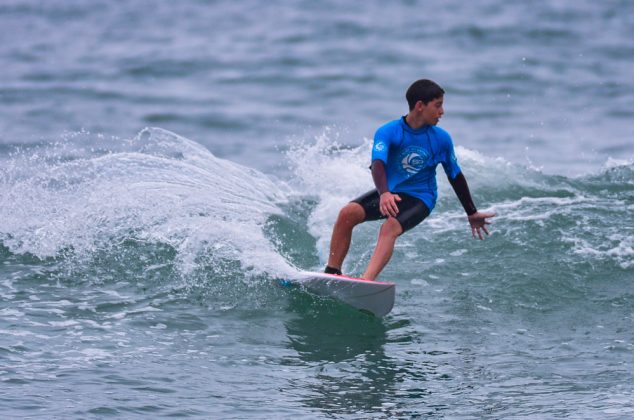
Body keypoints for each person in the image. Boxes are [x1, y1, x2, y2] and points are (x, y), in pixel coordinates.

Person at [324, 79, 496, 280]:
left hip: (421, 198)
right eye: (438, 105)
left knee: (389, 227)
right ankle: (332, 272)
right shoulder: (388, 132)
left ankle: (366, 281)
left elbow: (455, 175)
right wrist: (384, 193)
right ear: (420, 106)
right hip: (392, 193)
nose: (442, 111)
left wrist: (471, 212)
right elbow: (377, 164)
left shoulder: (441, 139)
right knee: (348, 213)